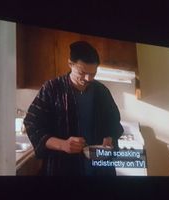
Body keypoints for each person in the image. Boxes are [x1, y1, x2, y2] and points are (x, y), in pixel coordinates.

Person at [23, 41, 124, 176]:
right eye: (82, 72)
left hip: (99, 169)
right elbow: (32, 123)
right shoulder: (52, 89)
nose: (88, 78)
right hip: (62, 169)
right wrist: (62, 144)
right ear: (70, 64)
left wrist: (110, 137)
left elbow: (114, 122)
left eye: (93, 73)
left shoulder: (101, 91)